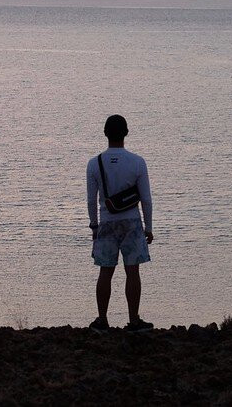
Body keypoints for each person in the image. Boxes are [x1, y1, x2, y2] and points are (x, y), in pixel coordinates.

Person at [86, 115, 154, 332]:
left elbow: (91, 200)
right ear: (126, 133)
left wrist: (94, 227)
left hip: (106, 222)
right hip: (132, 222)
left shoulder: (94, 164)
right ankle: (134, 321)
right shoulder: (137, 162)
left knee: (105, 272)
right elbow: (146, 199)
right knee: (132, 272)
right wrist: (149, 227)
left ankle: (102, 320)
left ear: (105, 134)